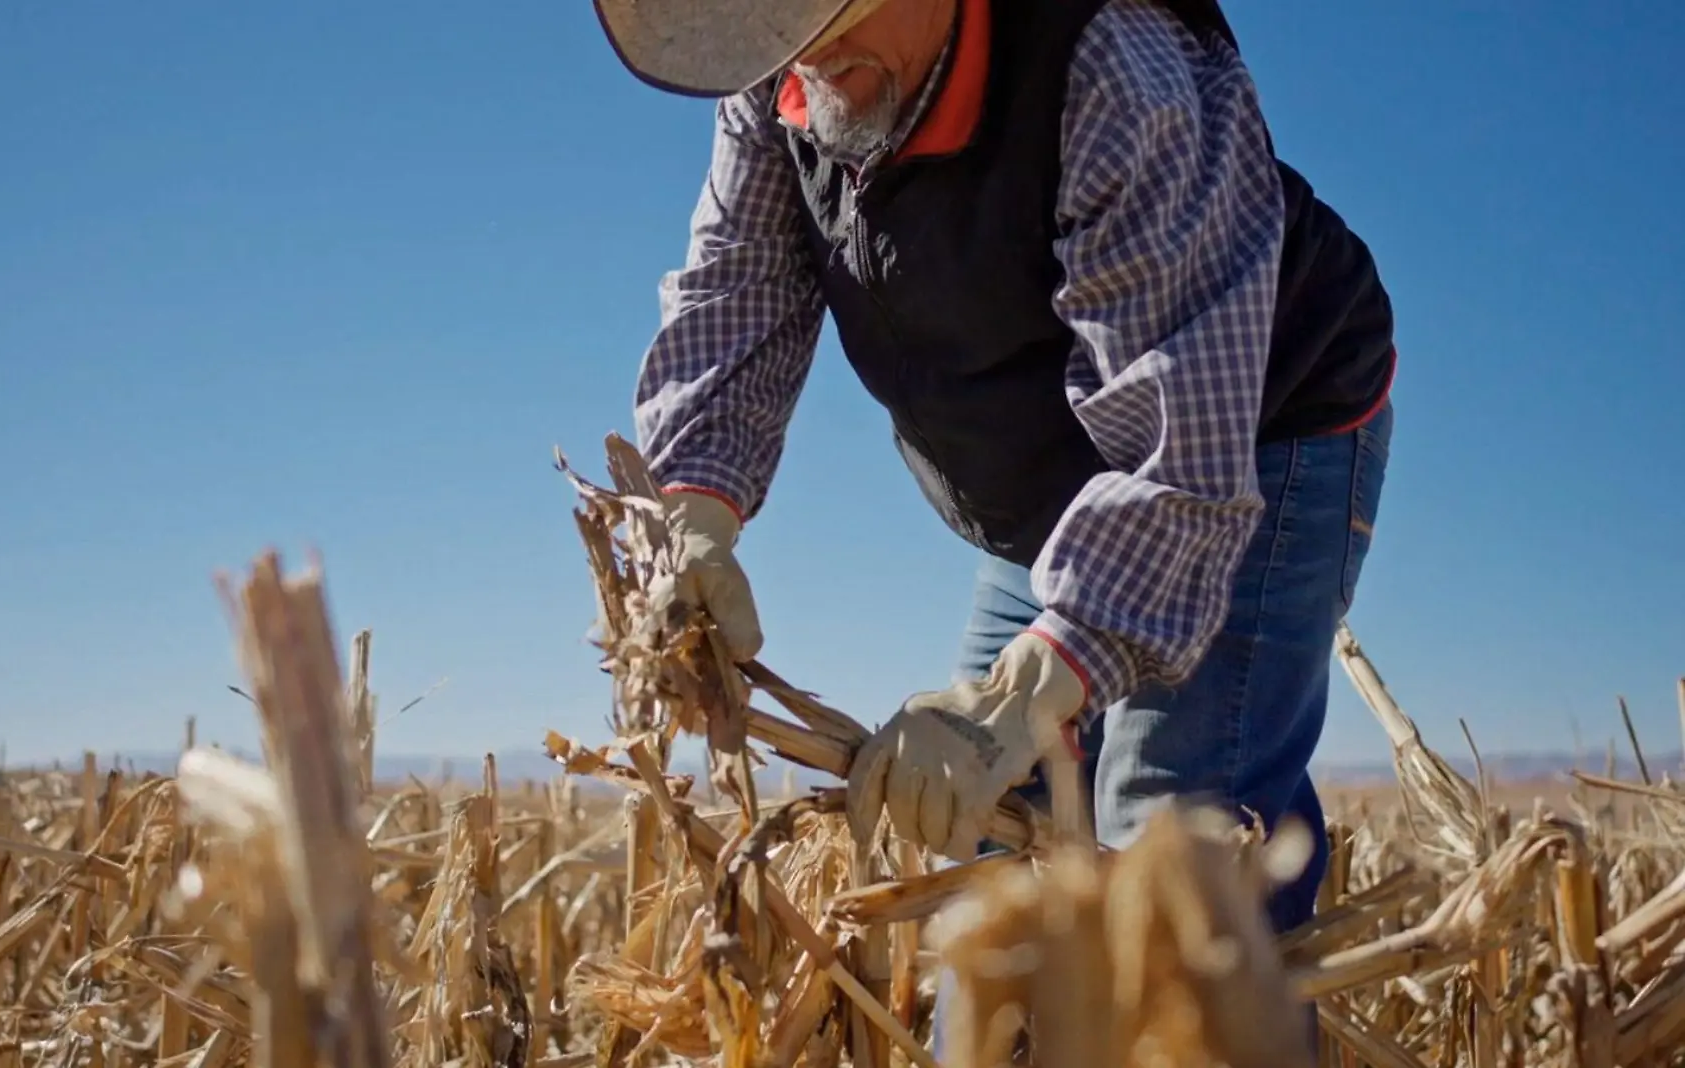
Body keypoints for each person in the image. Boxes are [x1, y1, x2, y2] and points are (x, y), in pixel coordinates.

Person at [598, 0, 1395, 942]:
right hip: (1054, 478)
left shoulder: (1112, 63)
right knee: (987, 873)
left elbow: (1179, 459)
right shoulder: (779, 73)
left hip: (1250, 432)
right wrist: (688, 514)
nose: (811, 51)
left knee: (1173, 861)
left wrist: (1019, 697)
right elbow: (738, 286)